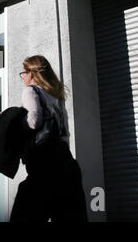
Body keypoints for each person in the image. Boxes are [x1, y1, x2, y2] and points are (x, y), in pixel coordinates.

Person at [10, 55, 87, 222]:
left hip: (44, 165)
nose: (23, 77)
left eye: (23, 73)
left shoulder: (31, 90)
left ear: (31, 73)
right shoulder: (57, 97)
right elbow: (65, 133)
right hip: (67, 165)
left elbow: (34, 120)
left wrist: (14, 120)